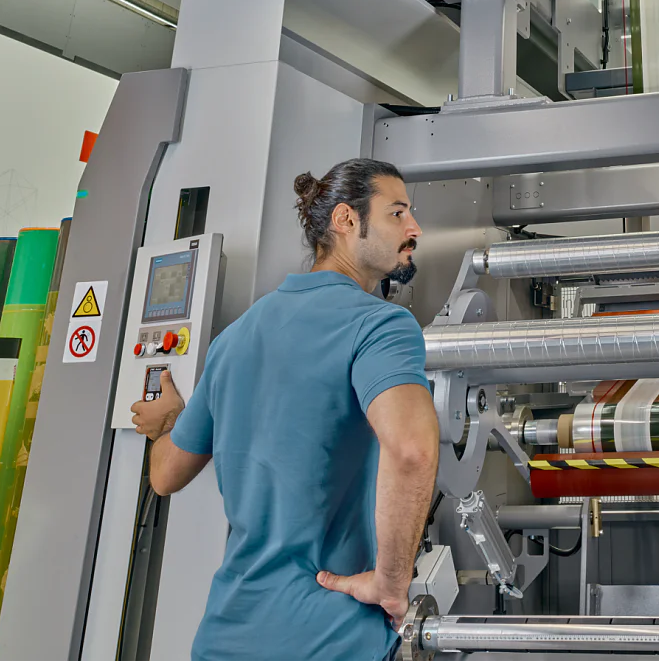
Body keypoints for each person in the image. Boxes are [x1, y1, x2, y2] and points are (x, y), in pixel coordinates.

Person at [129, 158, 438, 661]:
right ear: (345, 220)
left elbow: (164, 475)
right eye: (397, 214)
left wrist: (167, 421)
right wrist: (391, 582)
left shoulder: (233, 340)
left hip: (226, 637)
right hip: (328, 639)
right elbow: (411, 452)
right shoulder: (381, 326)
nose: (414, 228)